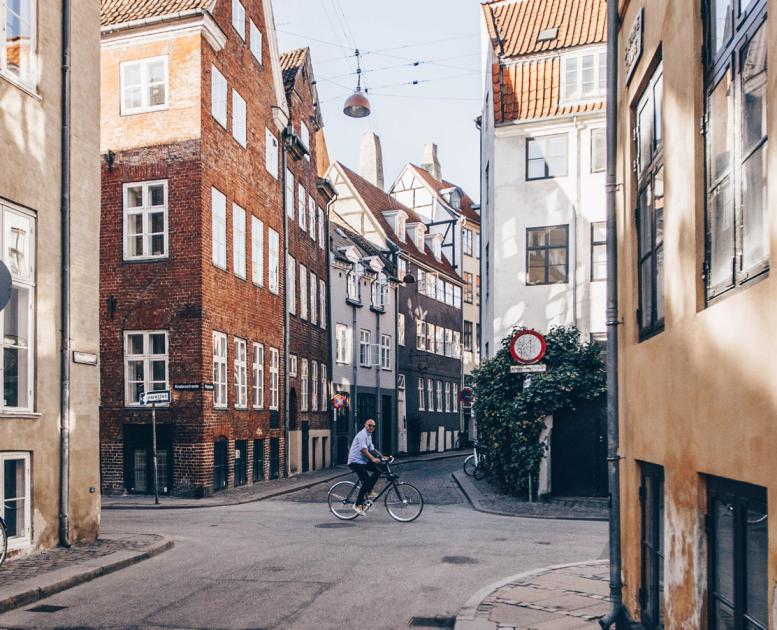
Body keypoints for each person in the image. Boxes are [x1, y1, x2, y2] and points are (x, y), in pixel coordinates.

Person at [347, 418, 386, 514]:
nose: (371, 427)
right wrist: (373, 459)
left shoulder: (369, 435)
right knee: (367, 481)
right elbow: (363, 450)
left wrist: (382, 456)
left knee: (379, 468)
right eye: (370, 425)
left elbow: (372, 448)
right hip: (355, 462)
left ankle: (369, 490)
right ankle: (357, 504)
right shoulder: (362, 435)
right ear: (365, 425)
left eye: (373, 426)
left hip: (362, 461)